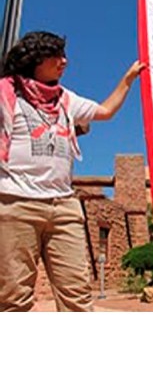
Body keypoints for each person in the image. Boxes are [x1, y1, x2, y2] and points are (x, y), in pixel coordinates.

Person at [0, 31, 145, 312]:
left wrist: (128, 79)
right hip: (14, 204)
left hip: (64, 207)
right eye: (57, 56)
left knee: (77, 296)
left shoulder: (66, 99)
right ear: (36, 59)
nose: (64, 61)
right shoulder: (7, 95)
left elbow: (104, 111)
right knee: (13, 299)